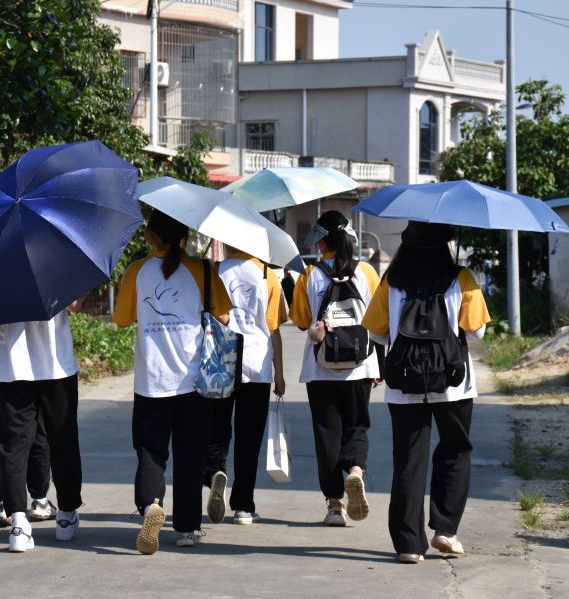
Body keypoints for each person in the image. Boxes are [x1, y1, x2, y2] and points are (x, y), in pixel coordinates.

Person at [362, 221, 490, 564]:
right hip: (453, 382)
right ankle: (445, 530)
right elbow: (476, 332)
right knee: (455, 450)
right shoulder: (460, 278)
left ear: (407, 244)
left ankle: (408, 544)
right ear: (445, 245)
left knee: (408, 459)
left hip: (404, 383)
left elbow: (376, 334)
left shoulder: (392, 280)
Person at [114, 210, 232, 555]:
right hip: (195, 381)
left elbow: (121, 319)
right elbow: (224, 315)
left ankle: (151, 506)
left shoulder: (137, 271)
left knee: (151, 452)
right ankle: (186, 528)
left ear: (150, 236)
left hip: (152, 381)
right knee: (190, 453)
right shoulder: (201, 271)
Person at [290, 210, 381, 527]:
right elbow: (379, 320)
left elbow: (302, 320)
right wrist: (379, 362)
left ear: (321, 241)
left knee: (327, 435)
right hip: (361, 364)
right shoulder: (367, 272)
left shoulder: (309, 275)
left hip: (320, 367)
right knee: (357, 426)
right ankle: (355, 472)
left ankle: (334, 506)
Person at [202, 246, 287, 526]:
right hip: (257, 363)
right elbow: (274, 328)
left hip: (221, 359)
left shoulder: (216, 271)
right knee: (249, 439)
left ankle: (215, 471)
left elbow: (209, 314)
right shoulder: (267, 275)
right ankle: (243, 506)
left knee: (217, 428)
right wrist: (279, 373)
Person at [0, 303, 84, 553]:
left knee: (13, 446)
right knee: (63, 439)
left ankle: (19, 525)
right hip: (57, 364)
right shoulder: (59, 264)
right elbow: (75, 305)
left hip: (14, 365)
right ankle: (66, 515)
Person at [0, 317, 57, 528]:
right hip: (33, 367)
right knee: (39, 433)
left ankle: (5, 504)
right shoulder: (40, 284)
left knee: (3, 439)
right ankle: (39, 499)